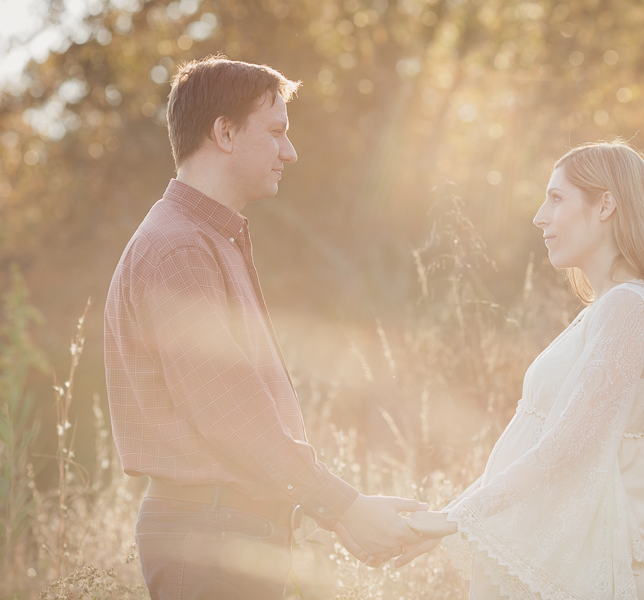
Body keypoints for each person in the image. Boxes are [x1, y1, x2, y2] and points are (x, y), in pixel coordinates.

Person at [104, 55, 423, 600]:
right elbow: (232, 414)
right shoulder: (179, 249)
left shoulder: (205, 240)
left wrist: (338, 515)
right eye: (276, 132)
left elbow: (243, 424)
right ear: (224, 132)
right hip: (210, 540)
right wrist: (344, 505)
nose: (289, 152)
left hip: (229, 531)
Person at [395, 141, 644, 600]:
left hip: (602, 556)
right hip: (574, 545)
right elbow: (546, 442)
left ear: (606, 205)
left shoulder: (628, 307)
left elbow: (566, 446)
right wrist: (450, 516)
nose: (540, 216)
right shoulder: (609, 307)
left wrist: (453, 519)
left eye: (557, 199)